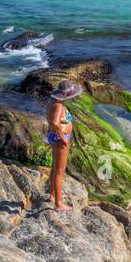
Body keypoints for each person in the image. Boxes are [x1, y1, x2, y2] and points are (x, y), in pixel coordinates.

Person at [46, 80, 81, 211]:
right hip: (60, 140)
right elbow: (54, 122)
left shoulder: (53, 102)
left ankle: (53, 195)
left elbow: (53, 119)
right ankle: (58, 205)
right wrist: (63, 138)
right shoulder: (59, 106)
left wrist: (63, 121)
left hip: (54, 137)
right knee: (59, 172)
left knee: (54, 168)